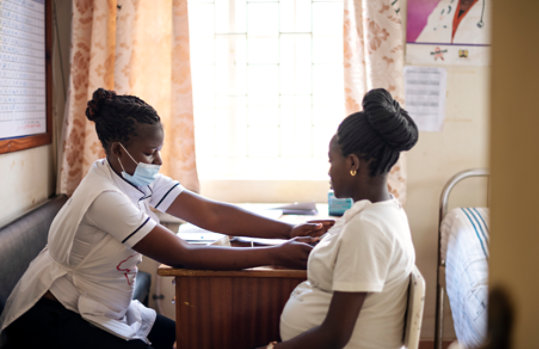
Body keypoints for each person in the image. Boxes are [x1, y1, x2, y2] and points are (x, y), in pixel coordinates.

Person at [0, 88, 333, 349]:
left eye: (159, 149)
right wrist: (276, 253)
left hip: (99, 305)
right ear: (118, 150)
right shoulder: (104, 196)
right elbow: (181, 255)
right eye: (149, 152)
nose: (158, 160)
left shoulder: (130, 174)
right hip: (49, 319)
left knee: (190, 336)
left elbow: (210, 212)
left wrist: (288, 229)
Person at [259, 88, 419, 349]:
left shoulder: (367, 229)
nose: (329, 171)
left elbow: (334, 335)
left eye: (331, 161)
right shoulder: (382, 212)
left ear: (353, 163)